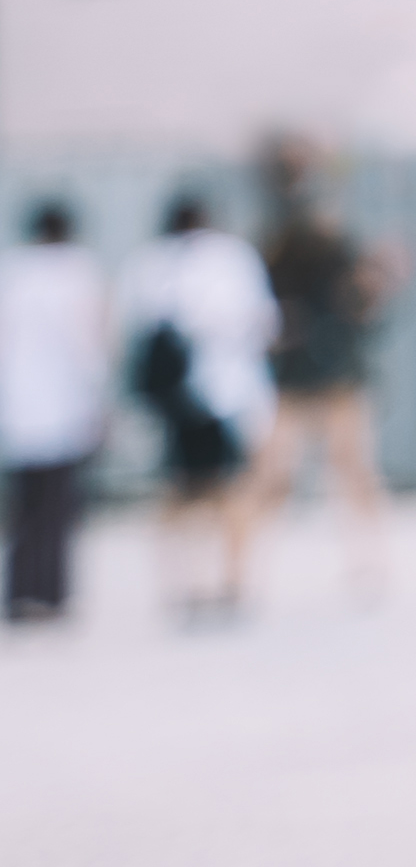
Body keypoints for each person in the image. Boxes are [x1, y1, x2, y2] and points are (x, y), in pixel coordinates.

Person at [253, 140, 402, 604]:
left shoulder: (327, 244)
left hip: (332, 375)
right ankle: (245, 571)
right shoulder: (278, 242)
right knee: (275, 477)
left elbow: (363, 308)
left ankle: (369, 561)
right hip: (298, 378)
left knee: (352, 472)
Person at [124, 189, 278, 621]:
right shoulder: (232, 258)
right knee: (234, 489)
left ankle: (183, 581)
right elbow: (261, 322)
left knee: (182, 491)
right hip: (230, 393)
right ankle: (233, 579)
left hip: (178, 399)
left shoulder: (148, 263)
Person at [3, 198, 107, 625]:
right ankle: (52, 592)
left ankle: (20, 589)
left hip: (17, 406)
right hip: (63, 405)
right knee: (59, 504)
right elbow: (88, 343)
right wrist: (98, 398)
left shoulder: (12, 270)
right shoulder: (77, 271)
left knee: (25, 506)